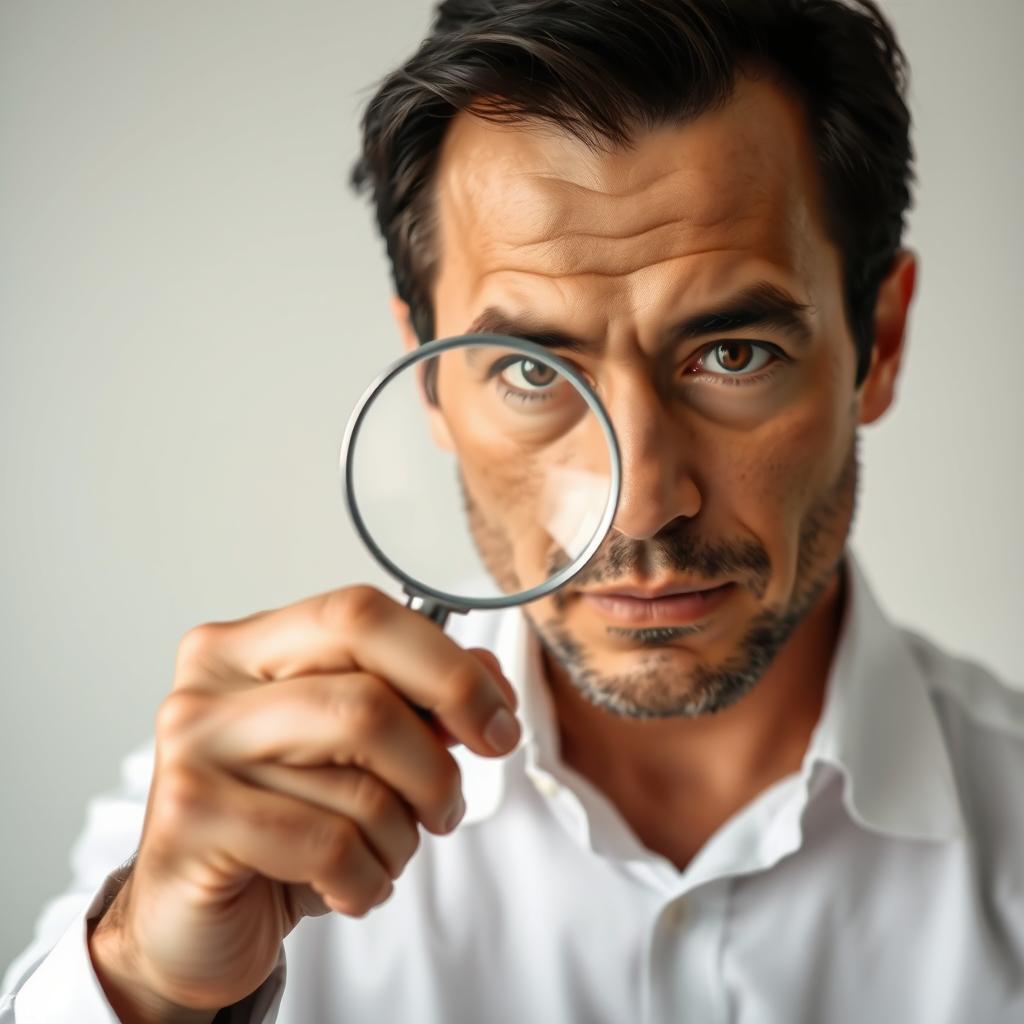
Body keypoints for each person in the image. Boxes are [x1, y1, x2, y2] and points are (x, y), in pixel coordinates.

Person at [3, 0, 1023, 1020]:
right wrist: (146, 983)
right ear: (431, 382)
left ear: (877, 344)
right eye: (532, 372)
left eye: (731, 354)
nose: (639, 507)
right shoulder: (229, 816)